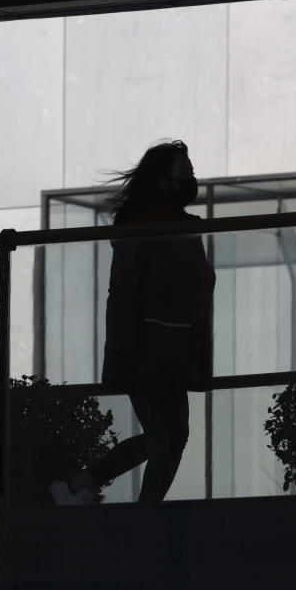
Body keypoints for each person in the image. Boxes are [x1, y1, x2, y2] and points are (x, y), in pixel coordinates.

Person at [50, 140, 216, 504]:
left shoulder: (183, 227)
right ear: (162, 180)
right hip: (147, 353)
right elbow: (123, 296)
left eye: (191, 172)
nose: (190, 179)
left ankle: (117, 501)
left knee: (173, 440)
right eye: (183, 172)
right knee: (165, 440)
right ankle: (102, 492)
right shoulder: (142, 229)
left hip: (176, 351)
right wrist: (123, 356)